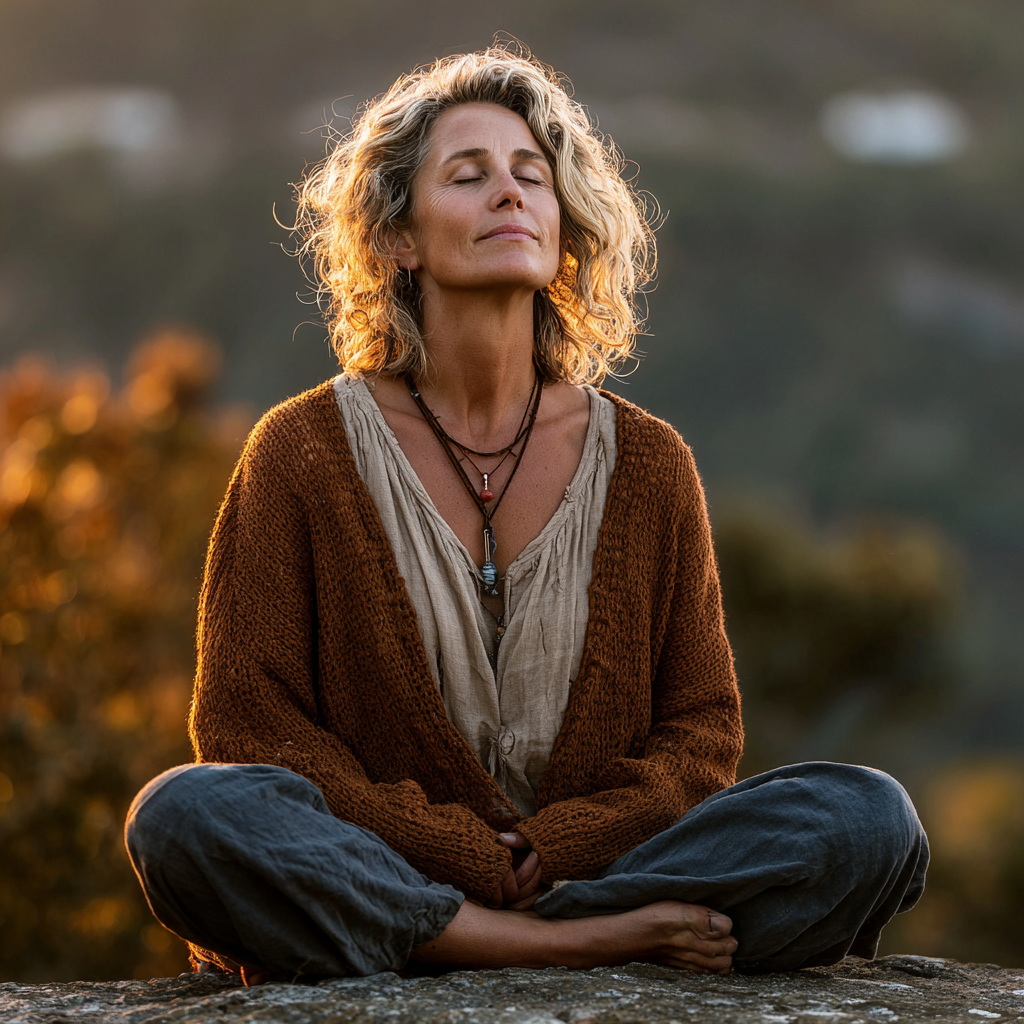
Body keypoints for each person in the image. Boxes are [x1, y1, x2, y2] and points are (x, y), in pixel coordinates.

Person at [124, 46, 928, 985]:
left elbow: (701, 734)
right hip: (389, 870)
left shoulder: (650, 464)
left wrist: (568, 843)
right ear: (397, 239)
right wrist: (451, 853)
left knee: (871, 818)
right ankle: (560, 944)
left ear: (562, 226)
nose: (508, 193)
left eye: (530, 177)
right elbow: (251, 725)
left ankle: (499, 933)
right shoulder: (301, 451)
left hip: (603, 871)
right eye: (467, 177)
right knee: (184, 817)